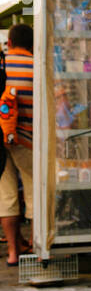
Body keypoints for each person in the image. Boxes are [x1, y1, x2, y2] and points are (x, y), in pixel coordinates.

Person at [0, 21, 34, 266]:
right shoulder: (36, 66)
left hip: (0, 138)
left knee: (7, 195)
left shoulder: (3, 65)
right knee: (34, 192)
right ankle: (34, 246)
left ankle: (13, 252)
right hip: (27, 140)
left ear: (9, 42)